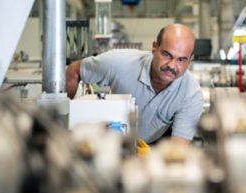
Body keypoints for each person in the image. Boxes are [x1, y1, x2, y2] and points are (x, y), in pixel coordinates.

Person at [66, 24, 204, 144]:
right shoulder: (119, 63)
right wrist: (63, 124)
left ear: (190, 60)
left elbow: (177, 149)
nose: (172, 66)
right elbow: (74, 70)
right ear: (154, 47)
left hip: (153, 148)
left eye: (181, 60)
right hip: (110, 140)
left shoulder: (191, 95)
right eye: (167, 55)